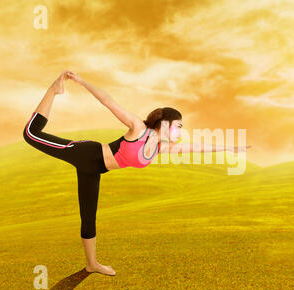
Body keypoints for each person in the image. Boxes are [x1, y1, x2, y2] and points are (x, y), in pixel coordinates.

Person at [23, 70, 250, 276]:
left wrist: (231, 147)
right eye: (178, 126)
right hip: (85, 154)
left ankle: (91, 264)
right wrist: (82, 82)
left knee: (89, 217)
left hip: (95, 171)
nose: (181, 131)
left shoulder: (162, 147)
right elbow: (108, 101)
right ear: (165, 123)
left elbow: (198, 148)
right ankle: (54, 90)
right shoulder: (138, 129)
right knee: (31, 134)